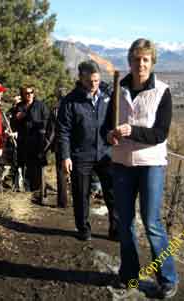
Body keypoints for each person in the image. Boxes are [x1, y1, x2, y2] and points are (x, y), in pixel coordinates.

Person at [107, 38, 178, 297]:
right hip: (122, 163)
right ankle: (130, 275)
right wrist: (110, 136)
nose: (140, 64)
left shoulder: (162, 91)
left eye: (145, 59)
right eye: (136, 59)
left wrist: (131, 131)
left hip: (151, 164)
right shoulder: (118, 89)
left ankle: (168, 277)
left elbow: (160, 133)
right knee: (124, 222)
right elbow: (107, 126)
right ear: (130, 61)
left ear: (152, 62)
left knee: (151, 222)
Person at [57, 60, 119, 241]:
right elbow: (63, 132)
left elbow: (114, 119)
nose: (94, 85)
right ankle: (83, 228)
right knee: (81, 194)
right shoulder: (70, 102)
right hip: (81, 154)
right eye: (90, 81)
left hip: (106, 153)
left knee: (113, 193)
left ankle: (115, 229)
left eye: (97, 81)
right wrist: (66, 156)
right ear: (81, 79)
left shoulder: (108, 95)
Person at [11, 84, 50, 201]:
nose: (29, 95)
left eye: (31, 92)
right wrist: (17, 118)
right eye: (26, 93)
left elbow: (47, 121)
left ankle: (40, 192)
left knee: (38, 168)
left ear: (34, 93)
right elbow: (13, 124)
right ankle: (30, 192)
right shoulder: (19, 106)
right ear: (22, 94)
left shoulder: (40, 105)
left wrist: (45, 138)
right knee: (25, 167)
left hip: (37, 141)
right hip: (23, 141)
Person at [46, 86, 68, 208]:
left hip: (60, 142)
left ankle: (62, 201)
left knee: (61, 172)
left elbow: (52, 129)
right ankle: (79, 201)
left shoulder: (55, 108)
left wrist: (47, 145)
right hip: (74, 143)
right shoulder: (73, 104)